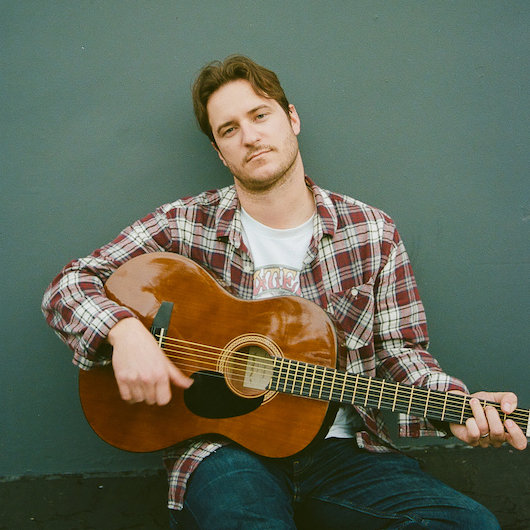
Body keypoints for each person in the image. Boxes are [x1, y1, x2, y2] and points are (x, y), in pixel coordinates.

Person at [42, 55, 526, 529]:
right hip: (225, 453)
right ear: (219, 151)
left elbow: (401, 353)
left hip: (346, 452)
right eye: (229, 129)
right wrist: (125, 333)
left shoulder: (371, 231)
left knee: (470, 524)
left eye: (260, 115)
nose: (250, 136)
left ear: (291, 118)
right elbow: (69, 285)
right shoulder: (183, 224)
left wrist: (454, 410)